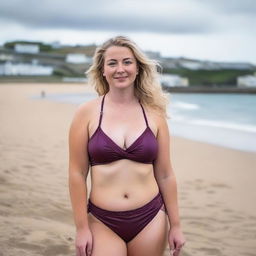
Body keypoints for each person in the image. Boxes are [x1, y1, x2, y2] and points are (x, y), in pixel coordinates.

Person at [68, 35, 185, 256]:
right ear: (103, 70)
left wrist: (176, 225)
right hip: (102, 220)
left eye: (127, 62)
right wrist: (81, 227)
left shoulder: (154, 114)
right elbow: (77, 172)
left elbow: (166, 174)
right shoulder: (86, 113)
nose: (120, 69)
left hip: (150, 218)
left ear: (138, 68)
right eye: (112, 63)